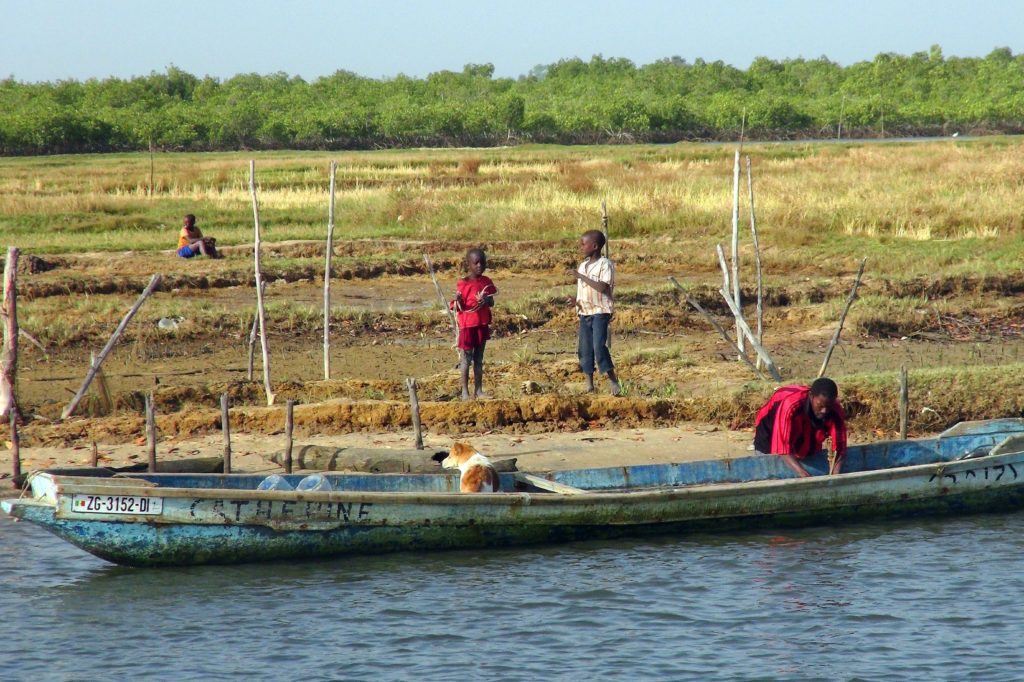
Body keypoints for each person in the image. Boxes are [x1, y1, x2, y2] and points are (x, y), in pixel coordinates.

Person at [753, 377, 848, 477]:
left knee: (808, 451)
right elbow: (782, 447)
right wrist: (803, 474)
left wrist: (836, 474)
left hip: (805, 427)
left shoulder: (834, 409)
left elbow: (840, 448)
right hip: (770, 430)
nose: (824, 411)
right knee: (770, 472)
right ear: (811, 396)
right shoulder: (791, 405)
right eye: (820, 405)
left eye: (828, 407)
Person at [567, 229, 621, 396]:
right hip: (585, 312)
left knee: (598, 346)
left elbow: (602, 287)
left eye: (584, 244)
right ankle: (590, 385)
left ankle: (613, 380)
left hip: (600, 311)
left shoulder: (605, 265)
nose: (581, 247)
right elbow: (583, 291)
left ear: (595, 246)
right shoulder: (583, 265)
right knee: (585, 348)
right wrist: (575, 302)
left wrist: (580, 276)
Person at [451, 248, 497, 400]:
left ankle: (478, 390)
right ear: (468, 264)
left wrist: (485, 300)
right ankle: (464, 392)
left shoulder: (486, 282)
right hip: (467, 326)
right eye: (476, 263)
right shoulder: (463, 284)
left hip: (481, 324)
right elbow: (458, 305)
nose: (479, 266)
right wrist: (457, 300)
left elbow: (492, 301)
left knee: (478, 359)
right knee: (466, 359)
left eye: (482, 262)